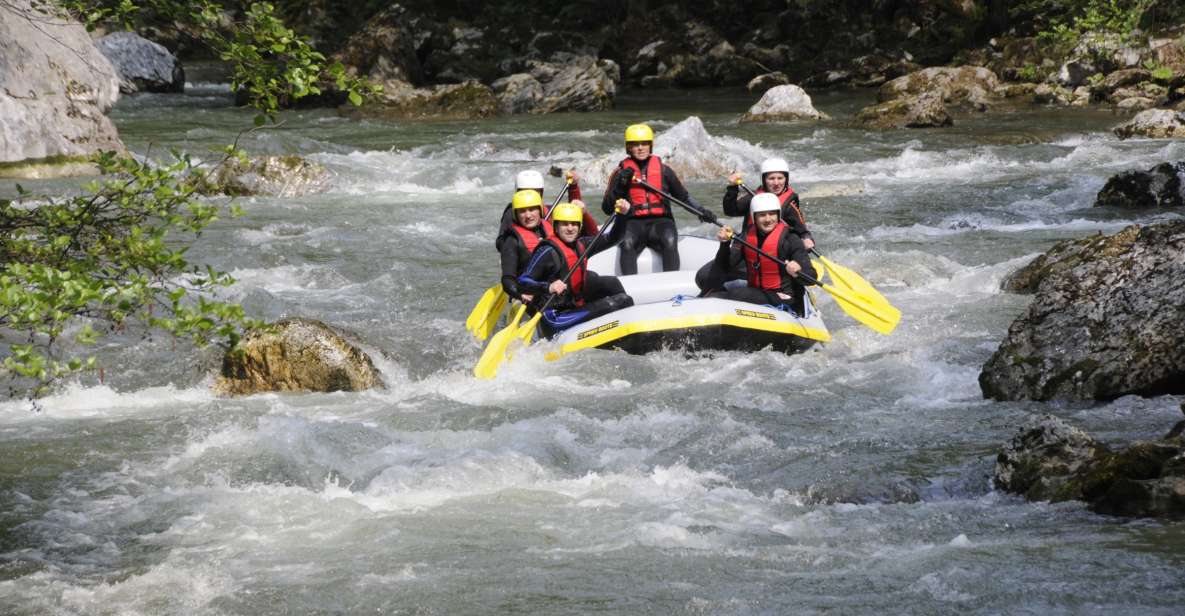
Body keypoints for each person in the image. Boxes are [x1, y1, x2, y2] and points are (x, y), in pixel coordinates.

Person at [601, 123, 706, 275]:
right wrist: (620, 186)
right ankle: (629, 288)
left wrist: (702, 211)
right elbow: (606, 208)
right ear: (628, 147)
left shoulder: (664, 170)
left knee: (670, 239)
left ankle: (671, 284)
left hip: (661, 222)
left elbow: (683, 197)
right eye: (635, 144)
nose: (640, 148)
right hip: (632, 221)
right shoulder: (619, 173)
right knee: (627, 242)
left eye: (644, 143)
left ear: (650, 145)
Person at [517, 202, 633, 336]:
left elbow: (613, 239)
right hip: (555, 317)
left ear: (580, 226)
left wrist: (622, 217)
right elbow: (522, 282)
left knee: (612, 284)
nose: (570, 228)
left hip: (574, 304)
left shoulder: (582, 245)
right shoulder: (547, 251)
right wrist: (548, 287)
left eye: (574, 224)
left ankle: (627, 329)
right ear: (556, 226)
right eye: (565, 224)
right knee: (617, 302)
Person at [698, 193, 815, 315]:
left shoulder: (791, 238)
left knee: (740, 294)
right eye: (762, 215)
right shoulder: (747, 236)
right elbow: (725, 267)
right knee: (710, 288)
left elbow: (812, 277)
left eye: (772, 214)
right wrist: (725, 244)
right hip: (758, 293)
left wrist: (798, 272)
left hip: (785, 298)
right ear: (754, 217)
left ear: (778, 215)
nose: (768, 219)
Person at [723, 157, 813, 250]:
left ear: (786, 179)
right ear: (764, 180)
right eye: (771, 178)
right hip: (750, 248)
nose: (776, 183)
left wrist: (807, 239)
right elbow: (730, 211)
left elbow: (802, 231)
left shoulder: (789, 205)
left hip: (777, 253)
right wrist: (732, 188)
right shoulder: (752, 198)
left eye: (780, 178)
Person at [496, 169, 597, 253]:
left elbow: (591, 234)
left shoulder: (549, 210)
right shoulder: (512, 213)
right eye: (525, 191)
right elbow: (501, 243)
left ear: (541, 193)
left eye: (535, 192)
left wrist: (573, 188)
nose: (530, 196)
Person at [497, 189, 552, 303]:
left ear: (540, 210)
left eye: (532, 209)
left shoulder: (551, 229)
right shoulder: (512, 241)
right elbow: (507, 280)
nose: (528, 215)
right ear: (516, 215)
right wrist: (519, 294)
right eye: (522, 211)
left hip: (554, 286)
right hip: (529, 293)